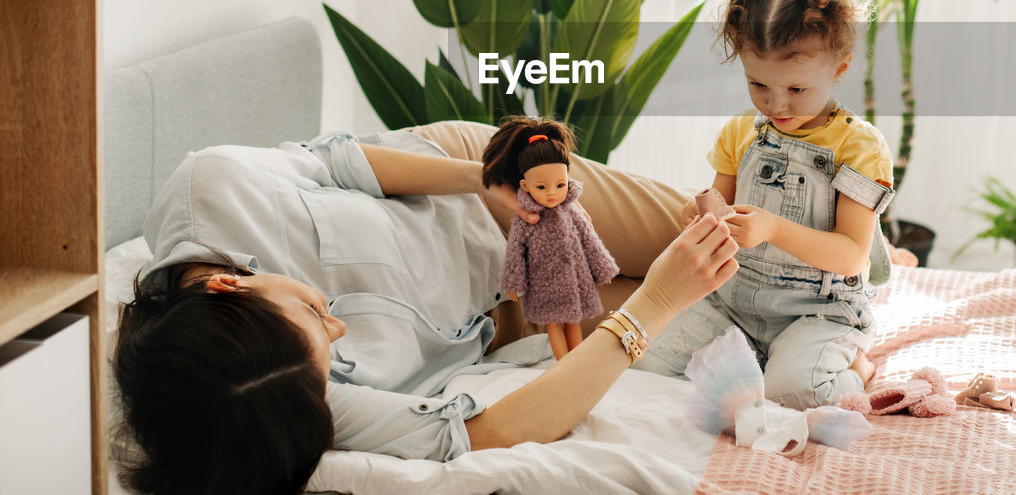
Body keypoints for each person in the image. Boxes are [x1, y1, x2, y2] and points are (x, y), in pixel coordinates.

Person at [113, 123, 738, 495]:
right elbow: (490, 433)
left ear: (228, 285)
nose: (339, 327)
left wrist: (485, 178)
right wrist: (655, 303)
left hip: (483, 189)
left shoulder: (212, 185)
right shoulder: (280, 395)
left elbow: (343, 163)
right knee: (725, 293)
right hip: (508, 310)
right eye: (330, 349)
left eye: (313, 307)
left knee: (730, 232)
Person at [635, 0, 903, 410]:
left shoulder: (860, 147)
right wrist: (699, 218)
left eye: (796, 90)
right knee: (647, 364)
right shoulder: (742, 132)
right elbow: (721, 204)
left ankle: (857, 364)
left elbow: (851, 254)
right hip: (733, 302)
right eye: (758, 85)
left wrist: (773, 228)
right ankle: (759, 357)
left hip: (816, 311)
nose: (776, 104)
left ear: (839, 67)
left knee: (798, 393)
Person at [482, 116, 619, 360]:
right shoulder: (526, 218)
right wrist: (513, 283)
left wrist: (603, 268)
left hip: (574, 277)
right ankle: (563, 365)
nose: (553, 194)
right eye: (542, 188)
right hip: (544, 281)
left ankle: (576, 362)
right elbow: (516, 252)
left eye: (560, 185)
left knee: (573, 321)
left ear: (568, 179)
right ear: (524, 185)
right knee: (553, 324)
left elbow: (590, 240)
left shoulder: (572, 210)